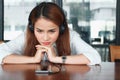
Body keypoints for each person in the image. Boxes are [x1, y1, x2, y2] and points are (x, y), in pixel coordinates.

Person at [0, 2, 101, 65]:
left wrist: (56, 59)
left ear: (61, 28)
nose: (45, 38)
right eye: (39, 31)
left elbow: (94, 56)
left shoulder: (71, 36)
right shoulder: (27, 36)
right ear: (32, 28)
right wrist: (34, 59)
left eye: (52, 31)